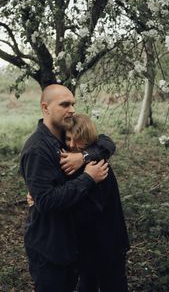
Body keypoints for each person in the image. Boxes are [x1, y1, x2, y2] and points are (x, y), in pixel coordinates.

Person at [20, 84, 110, 292]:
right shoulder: (37, 149)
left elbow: (105, 142)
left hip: (71, 243)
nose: (71, 109)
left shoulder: (64, 136)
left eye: (73, 104)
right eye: (64, 104)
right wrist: (88, 178)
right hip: (50, 248)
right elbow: (47, 202)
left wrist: (84, 156)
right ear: (45, 108)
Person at [64, 114, 130, 292]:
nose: (71, 145)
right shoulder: (73, 158)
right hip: (87, 245)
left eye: (77, 140)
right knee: (87, 284)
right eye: (68, 138)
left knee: (113, 285)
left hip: (108, 243)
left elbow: (90, 210)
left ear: (87, 139)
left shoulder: (97, 165)